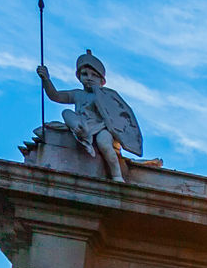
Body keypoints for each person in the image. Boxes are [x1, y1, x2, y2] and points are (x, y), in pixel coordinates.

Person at [37, 50, 142, 182]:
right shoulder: (77, 94)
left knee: (104, 144)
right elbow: (55, 96)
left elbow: (119, 115)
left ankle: (117, 176)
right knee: (66, 113)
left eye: (94, 75)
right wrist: (46, 80)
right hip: (82, 123)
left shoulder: (107, 95)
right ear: (79, 77)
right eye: (85, 74)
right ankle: (80, 130)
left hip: (101, 127)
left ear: (102, 80)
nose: (89, 77)